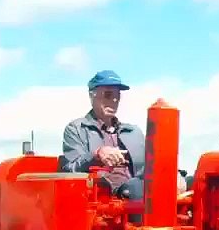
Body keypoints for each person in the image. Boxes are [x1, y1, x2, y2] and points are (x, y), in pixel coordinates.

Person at [59, 68, 187, 199]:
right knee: (137, 188)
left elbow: (153, 163)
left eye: (117, 96)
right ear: (92, 95)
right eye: (108, 95)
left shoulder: (133, 132)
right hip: (106, 195)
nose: (114, 100)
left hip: (138, 187)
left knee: (195, 182)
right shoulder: (77, 129)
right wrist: (96, 154)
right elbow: (69, 170)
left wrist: (174, 174)